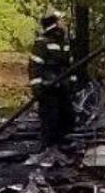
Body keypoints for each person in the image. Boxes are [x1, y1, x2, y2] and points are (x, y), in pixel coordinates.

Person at [29, 10, 75, 151]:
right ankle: (48, 148)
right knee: (50, 119)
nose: (64, 23)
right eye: (61, 20)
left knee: (67, 117)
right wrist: (38, 88)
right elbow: (35, 67)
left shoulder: (64, 43)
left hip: (63, 88)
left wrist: (71, 82)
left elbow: (69, 65)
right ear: (54, 24)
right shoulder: (42, 43)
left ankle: (62, 146)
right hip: (48, 90)